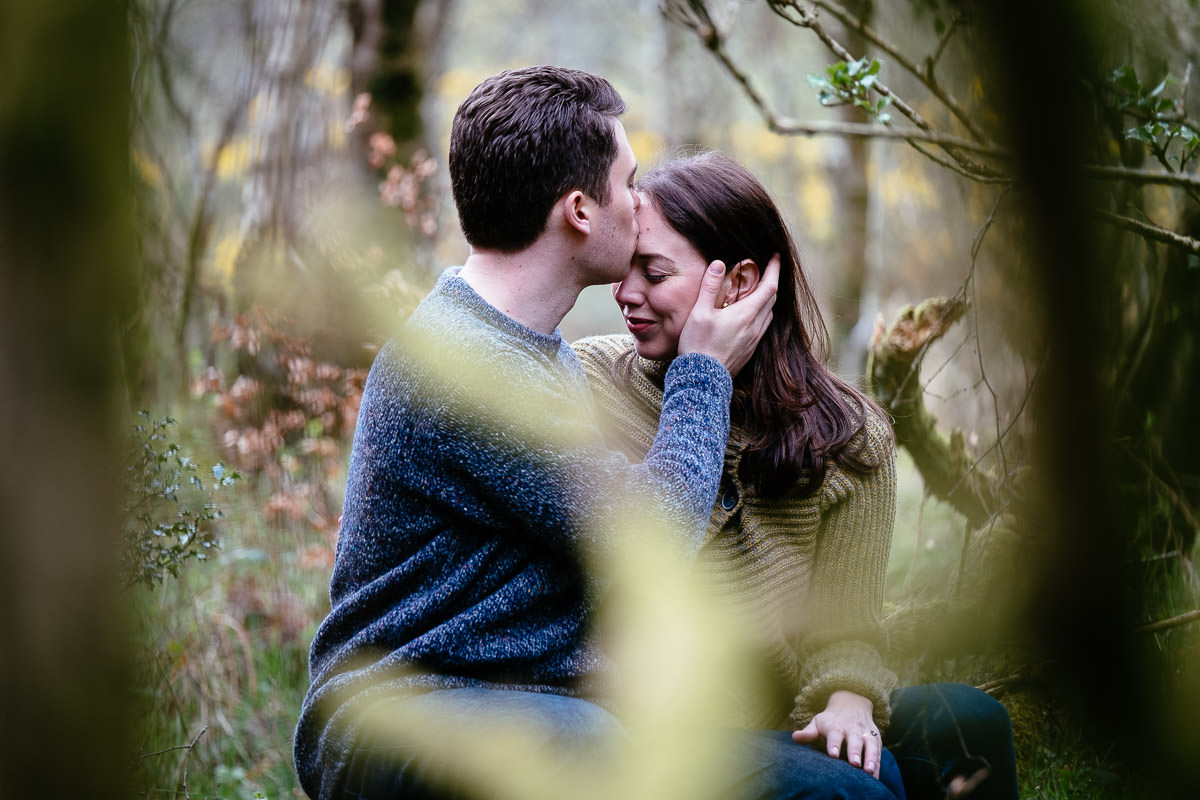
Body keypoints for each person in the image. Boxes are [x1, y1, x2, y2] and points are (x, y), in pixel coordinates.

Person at [293, 68, 778, 800]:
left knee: (844, 790)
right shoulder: (462, 367)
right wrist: (703, 369)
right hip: (398, 716)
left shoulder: (539, 354)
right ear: (580, 210)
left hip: (550, 710)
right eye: (630, 180)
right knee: (590, 747)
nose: (643, 203)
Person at [573, 151, 1019, 800]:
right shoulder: (590, 383)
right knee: (865, 785)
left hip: (783, 721)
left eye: (655, 272)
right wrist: (706, 382)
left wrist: (850, 697)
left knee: (973, 723)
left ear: (740, 282)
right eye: (625, 266)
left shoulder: (849, 435)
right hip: (655, 728)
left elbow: (847, 627)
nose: (625, 292)